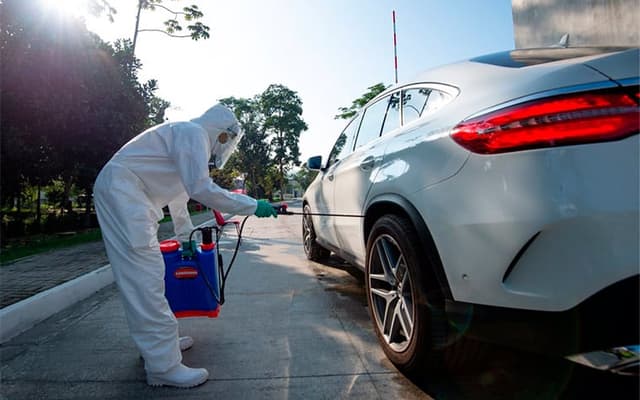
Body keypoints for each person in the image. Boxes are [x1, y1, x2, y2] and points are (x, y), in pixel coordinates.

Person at [93, 103, 277, 388]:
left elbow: (179, 197)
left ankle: (159, 349)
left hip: (127, 194)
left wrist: (185, 237)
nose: (222, 148)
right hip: (123, 194)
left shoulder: (186, 139)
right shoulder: (192, 134)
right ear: (222, 135)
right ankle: (163, 368)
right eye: (226, 141)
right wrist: (252, 205)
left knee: (150, 277)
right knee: (145, 277)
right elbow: (201, 189)